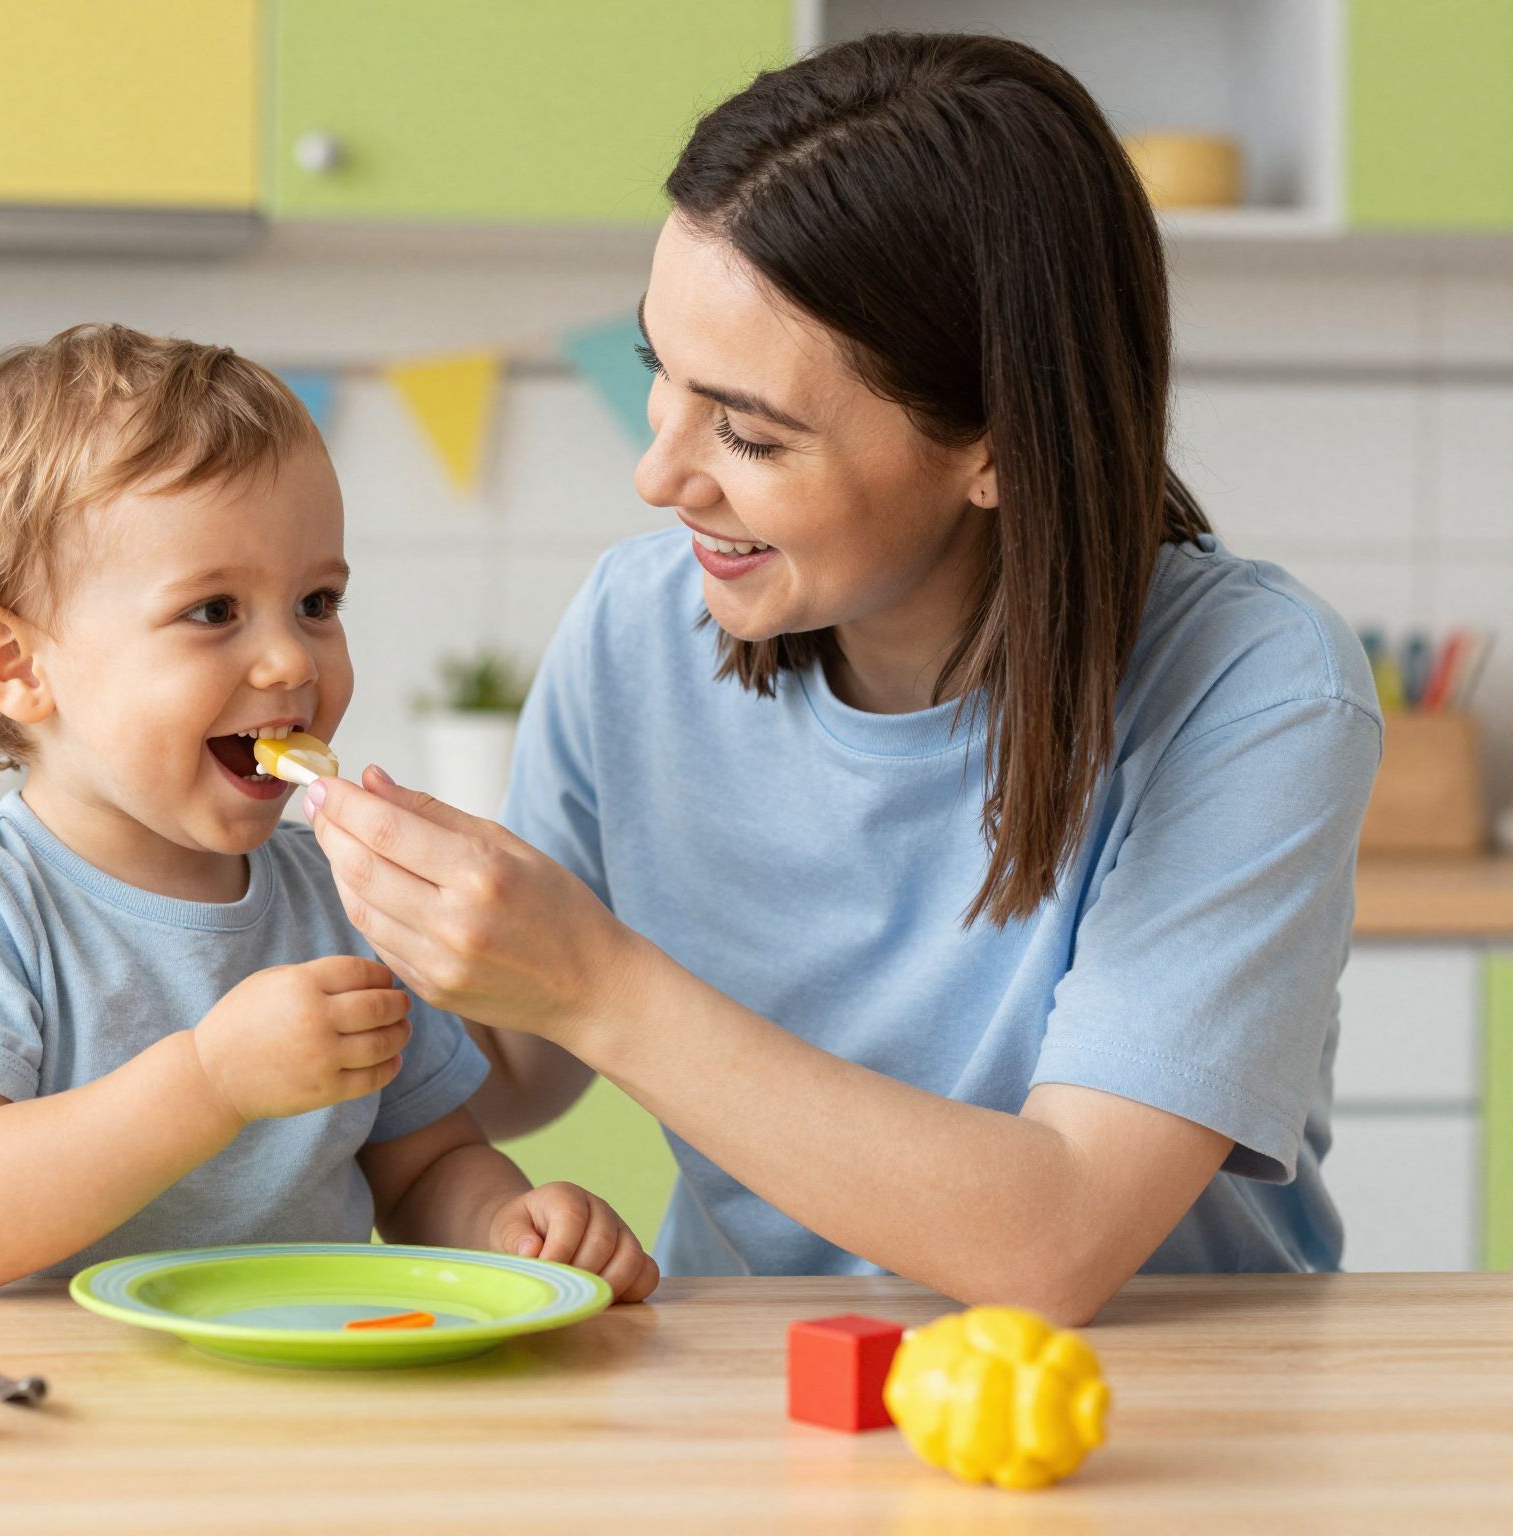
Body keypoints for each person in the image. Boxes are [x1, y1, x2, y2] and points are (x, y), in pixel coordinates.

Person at [302, 35, 1381, 1324]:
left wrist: (592, 977)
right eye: (660, 376)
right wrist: (235, 977)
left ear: (994, 446)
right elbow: (516, 1061)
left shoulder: (1253, 689)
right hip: (760, 1390)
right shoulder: (637, 626)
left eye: (748, 432)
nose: (659, 477)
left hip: (1155, 1408)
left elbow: (1059, 1239)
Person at [0, 323, 657, 1300]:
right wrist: (212, 1080)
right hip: (20, 1424)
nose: (293, 660)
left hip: (289, 1421)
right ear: (16, 665)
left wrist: (506, 1225)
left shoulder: (339, 903)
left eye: (316, 602)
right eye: (213, 611)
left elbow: (423, 1166)